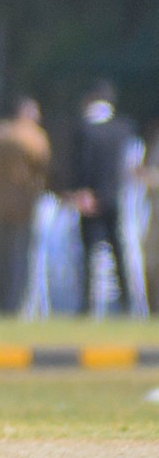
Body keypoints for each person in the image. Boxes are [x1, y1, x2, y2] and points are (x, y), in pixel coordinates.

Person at [0, 97, 51, 316]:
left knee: (1, 257)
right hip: (24, 205)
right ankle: (15, 305)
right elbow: (43, 165)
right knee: (20, 257)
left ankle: (1, 303)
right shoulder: (34, 137)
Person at [67, 80, 138, 315]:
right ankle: (126, 301)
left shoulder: (85, 130)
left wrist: (81, 191)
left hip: (91, 197)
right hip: (114, 196)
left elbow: (82, 164)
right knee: (118, 252)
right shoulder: (123, 128)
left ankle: (87, 304)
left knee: (89, 253)